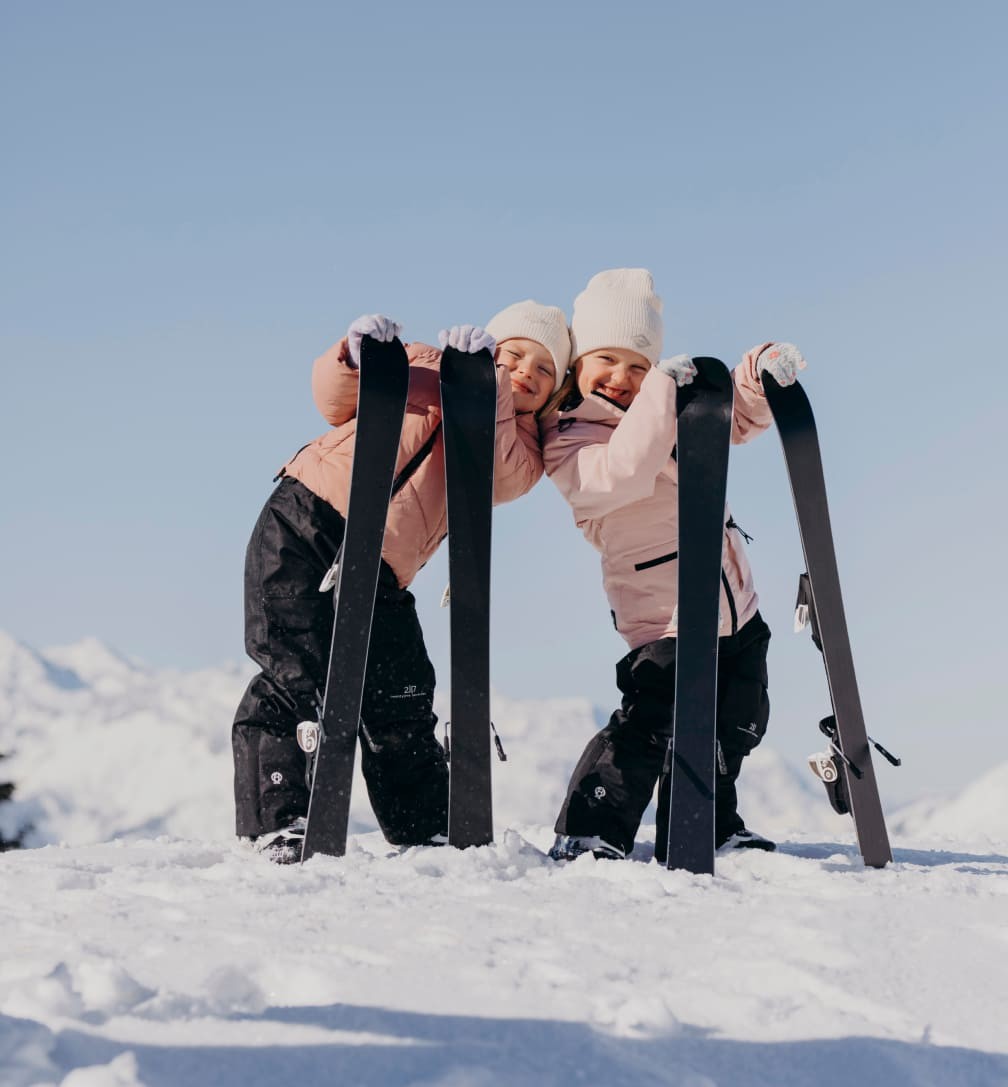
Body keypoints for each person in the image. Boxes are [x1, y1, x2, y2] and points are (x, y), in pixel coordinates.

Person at [232, 301, 571, 862]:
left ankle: (424, 827)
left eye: (543, 371)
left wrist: (490, 389)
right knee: (295, 672)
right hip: (304, 521)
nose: (525, 374)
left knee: (402, 693)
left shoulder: (524, 444)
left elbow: (504, 477)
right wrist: (354, 354)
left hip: (383, 569)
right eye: (513, 356)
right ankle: (280, 818)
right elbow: (334, 398)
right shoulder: (426, 363)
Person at [540, 268, 806, 861]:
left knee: (735, 720)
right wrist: (661, 391)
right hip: (663, 617)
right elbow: (626, 470)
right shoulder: (569, 440)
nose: (622, 377)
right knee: (650, 723)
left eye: (638, 366)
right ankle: (590, 826)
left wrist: (758, 379)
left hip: (734, 605)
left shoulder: (670, 408)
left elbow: (729, 419)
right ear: (577, 366)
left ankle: (707, 819)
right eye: (606, 360)